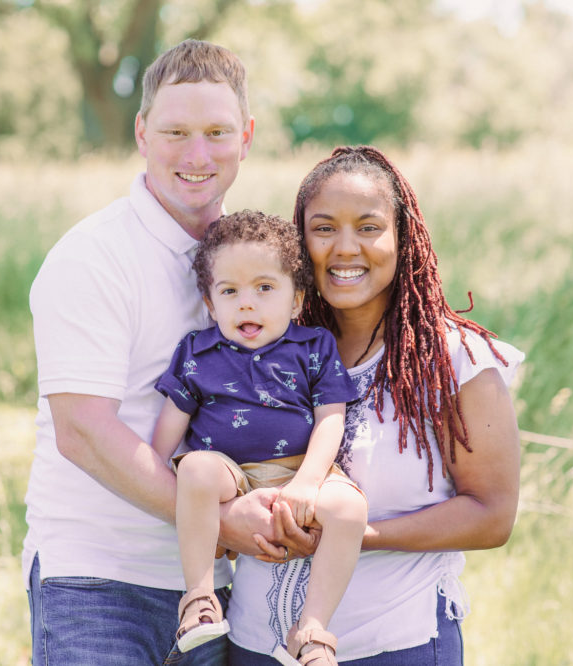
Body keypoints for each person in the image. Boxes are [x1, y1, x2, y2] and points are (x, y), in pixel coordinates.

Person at [225, 146, 525, 665]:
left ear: (402, 239)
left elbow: (492, 515)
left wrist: (353, 536)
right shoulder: (261, 349)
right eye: (323, 228)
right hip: (252, 645)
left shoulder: (454, 360)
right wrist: (234, 520)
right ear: (300, 244)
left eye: (368, 227)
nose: (345, 248)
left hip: (394, 645)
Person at [22, 39, 256, 665]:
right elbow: (83, 432)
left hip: (227, 591)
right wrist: (224, 528)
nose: (197, 154)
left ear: (247, 136)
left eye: (217, 132)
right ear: (141, 132)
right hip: (99, 581)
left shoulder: (260, 262)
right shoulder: (93, 256)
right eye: (175, 132)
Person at [150, 211, 367, 664]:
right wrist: (155, 470)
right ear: (210, 304)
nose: (246, 304)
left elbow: (331, 417)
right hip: (233, 474)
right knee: (195, 467)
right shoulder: (197, 352)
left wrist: (309, 481)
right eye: (229, 292)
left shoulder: (313, 347)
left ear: (295, 300)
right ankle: (200, 599)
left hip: (299, 468)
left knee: (349, 508)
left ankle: (312, 629)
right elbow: (168, 433)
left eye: (265, 288)